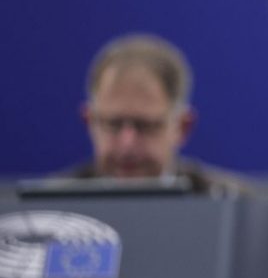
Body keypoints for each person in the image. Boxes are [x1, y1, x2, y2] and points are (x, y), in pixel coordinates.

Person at [67, 34, 244, 196]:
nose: (127, 144)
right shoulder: (55, 208)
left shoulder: (234, 206)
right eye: (114, 124)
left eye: (145, 126)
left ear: (182, 127)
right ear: (89, 122)